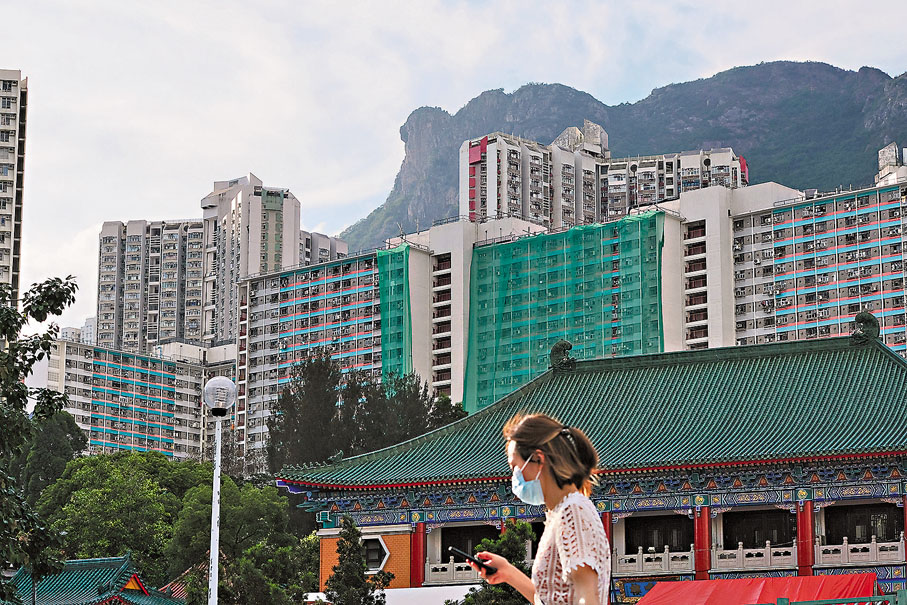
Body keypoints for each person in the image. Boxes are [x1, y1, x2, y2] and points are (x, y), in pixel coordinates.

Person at [468, 413, 610, 605]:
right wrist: (509, 573)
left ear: (538, 459)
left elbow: (587, 596)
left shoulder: (572, 511)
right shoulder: (561, 512)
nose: (514, 477)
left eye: (515, 467)